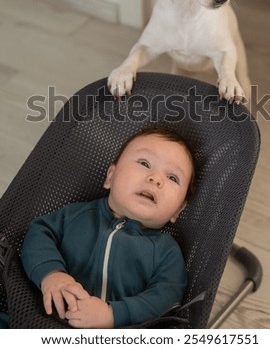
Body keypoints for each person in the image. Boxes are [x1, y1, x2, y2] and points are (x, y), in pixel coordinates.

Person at [20, 126, 196, 329]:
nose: (155, 178)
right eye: (144, 163)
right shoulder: (76, 216)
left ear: (177, 210)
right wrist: (51, 275)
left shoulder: (166, 252)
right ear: (110, 176)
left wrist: (114, 314)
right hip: (35, 320)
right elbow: (38, 234)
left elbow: (168, 296)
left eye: (173, 178)